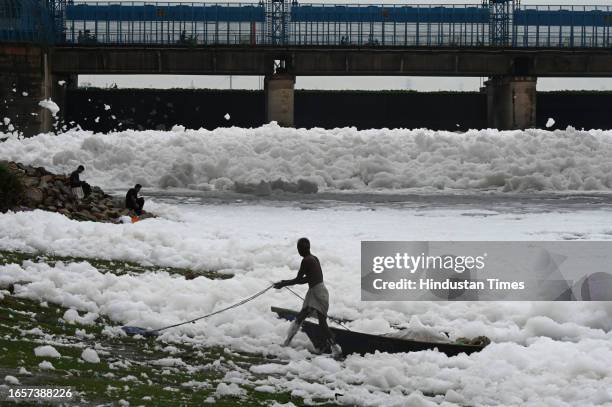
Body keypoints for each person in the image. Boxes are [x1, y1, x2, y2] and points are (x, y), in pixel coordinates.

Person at [274, 238, 342, 357]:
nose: (300, 251)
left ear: (300, 249)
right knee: (301, 317)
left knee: (322, 323)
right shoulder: (314, 258)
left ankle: (336, 349)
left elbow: (299, 279)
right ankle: (287, 342)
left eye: (299, 248)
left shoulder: (306, 260)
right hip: (317, 291)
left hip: (318, 294)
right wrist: (285, 282)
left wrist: (283, 284)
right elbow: (308, 279)